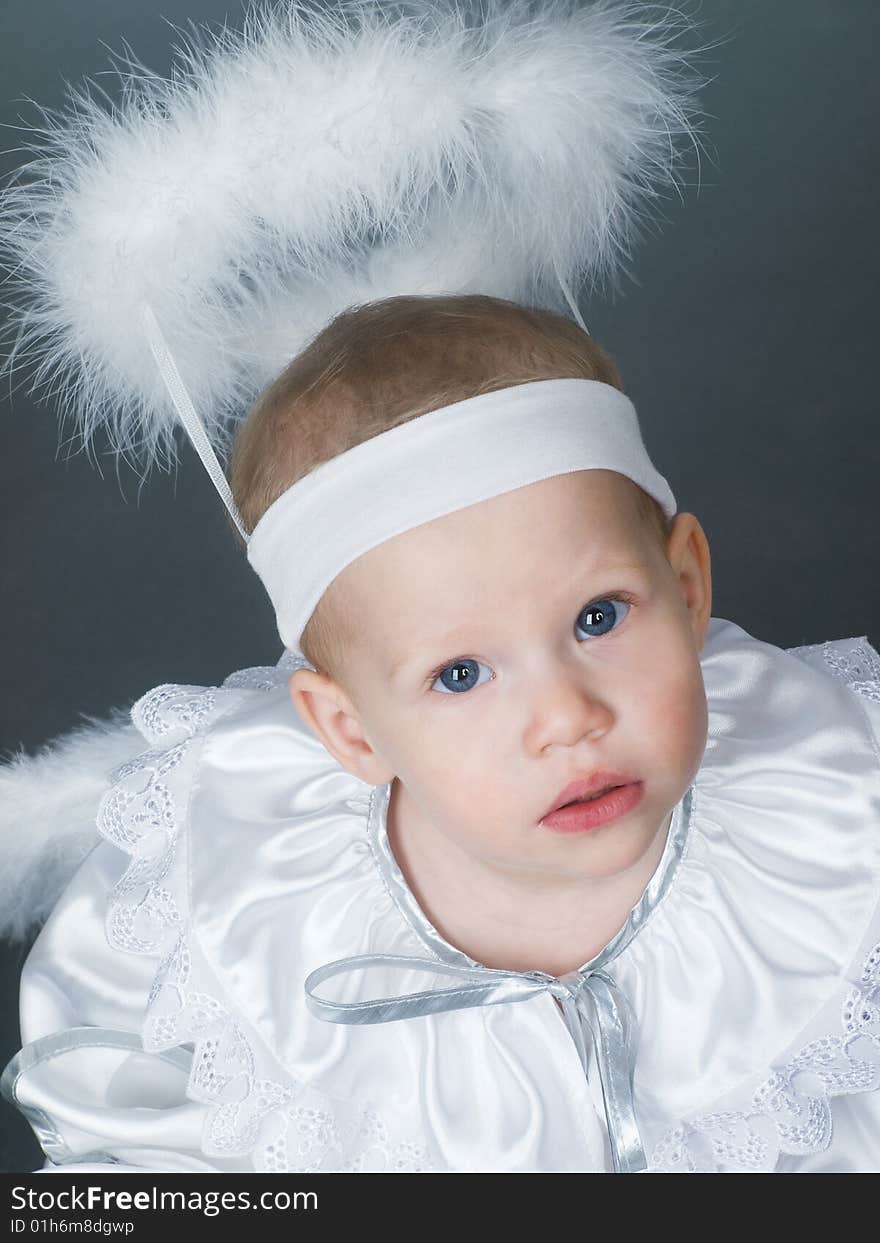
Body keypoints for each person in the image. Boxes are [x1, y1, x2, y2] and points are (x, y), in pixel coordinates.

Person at [1, 2, 878, 1174]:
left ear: (685, 581)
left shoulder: (834, 816)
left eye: (598, 617)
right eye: (459, 673)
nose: (565, 714)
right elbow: (132, 1147)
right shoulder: (231, 894)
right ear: (350, 727)